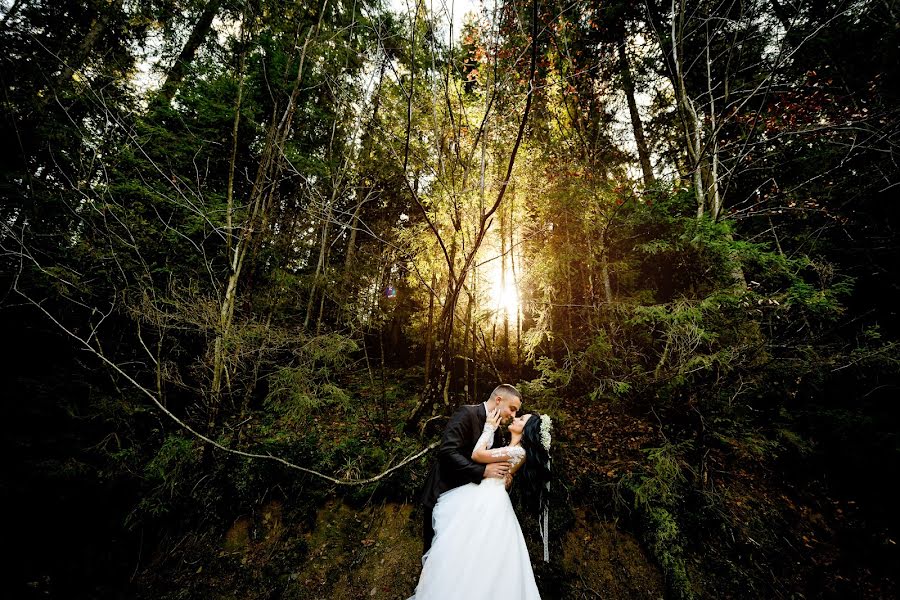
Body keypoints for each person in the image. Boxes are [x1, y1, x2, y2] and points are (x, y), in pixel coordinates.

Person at [409, 409, 553, 600]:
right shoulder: (511, 448)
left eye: (521, 419)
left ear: (526, 430)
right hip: (486, 496)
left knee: (476, 549)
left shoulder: (517, 451)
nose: (515, 418)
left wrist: (489, 428)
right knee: (468, 549)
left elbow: (477, 455)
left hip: (489, 501)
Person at [419, 384, 523, 556]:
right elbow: (447, 452)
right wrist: (482, 471)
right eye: (512, 409)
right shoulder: (467, 413)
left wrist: (503, 476)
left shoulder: (496, 430)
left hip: (468, 505)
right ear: (498, 400)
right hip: (442, 494)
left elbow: (492, 461)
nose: (513, 415)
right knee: (435, 556)